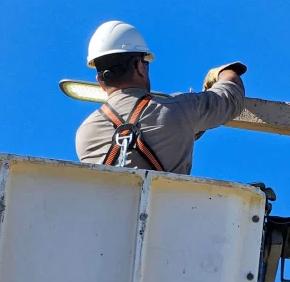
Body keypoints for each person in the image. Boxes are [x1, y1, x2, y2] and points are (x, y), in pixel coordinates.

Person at [75, 20, 247, 174]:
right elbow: (231, 97)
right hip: (166, 210)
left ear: (99, 81)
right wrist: (224, 72)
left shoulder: (85, 133)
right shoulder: (178, 110)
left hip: (107, 210)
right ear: (139, 67)